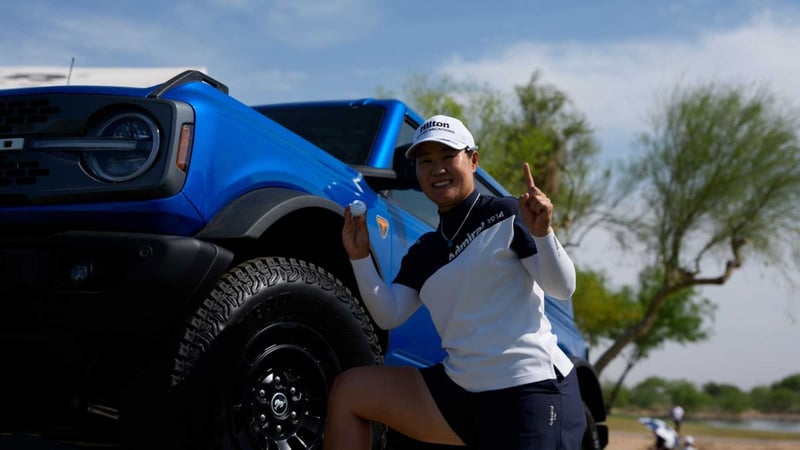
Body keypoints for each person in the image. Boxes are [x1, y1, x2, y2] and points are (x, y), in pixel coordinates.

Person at [324, 114, 586, 450]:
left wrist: (544, 233)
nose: (437, 169)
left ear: (473, 160)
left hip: (529, 390)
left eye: (448, 156)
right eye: (426, 161)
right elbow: (388, 314)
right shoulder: (426, 251)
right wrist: (360, 257)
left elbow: (562, 287)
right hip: (460, 394)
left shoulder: (507, 213)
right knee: (352, 391)